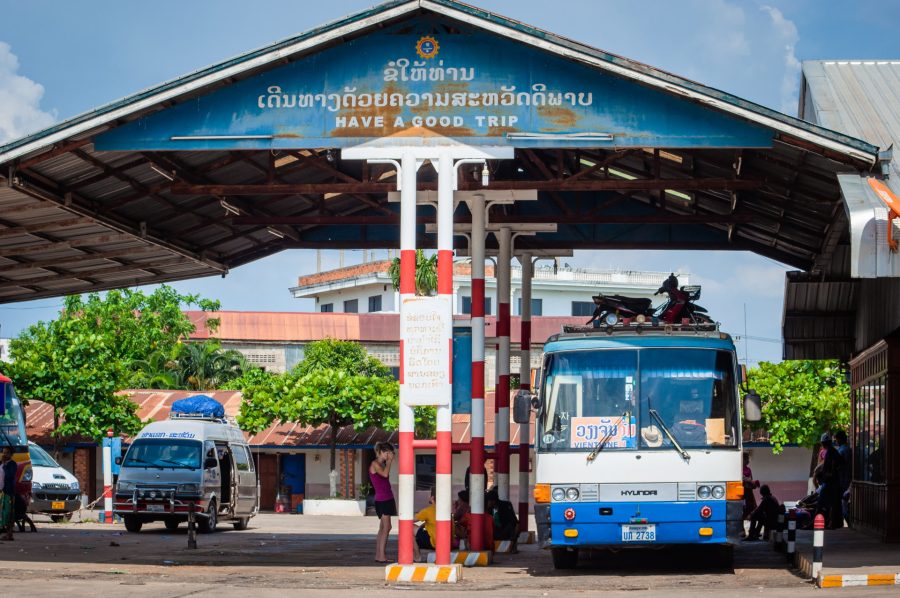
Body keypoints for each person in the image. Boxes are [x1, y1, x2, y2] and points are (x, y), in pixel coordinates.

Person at [369, 442, 396, 563]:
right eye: (387, 452)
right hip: (383, 499)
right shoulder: (375, 464)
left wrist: (388, 462)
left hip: (386, 497)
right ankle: (381, 555)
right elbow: (385, 475)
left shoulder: (381, 464)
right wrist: (390, 462)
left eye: (390, 453)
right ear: (380, 452)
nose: (388, 455)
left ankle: (378, 554)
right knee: (387, 527)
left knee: (382, 528)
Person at [816, 433, 844, 529]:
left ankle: (825, 522)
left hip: (830, 482)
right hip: (831, 482)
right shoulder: (832, 452)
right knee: (832, 503)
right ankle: (830, 523)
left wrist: (828, 474)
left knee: (822, 503)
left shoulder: (831, 453)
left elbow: (833, 467)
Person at [486, 487, 518, 553]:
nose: (487, 503)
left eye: (488, 501)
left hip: (503, 530)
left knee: (513, 525)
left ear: (493, 501)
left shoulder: (505, 506)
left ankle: (512, 545)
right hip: (492, 532)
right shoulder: (486, 509)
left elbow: (514, 521)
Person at [413, 487, 438, 561]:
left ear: (432, 497)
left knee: (407, 529)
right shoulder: (446, 509)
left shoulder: (428, 511)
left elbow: (411, 520)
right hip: (449, 543)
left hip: (434, 542)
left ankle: (417, 556)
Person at [834, 430, 852, 524]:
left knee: (842, 504)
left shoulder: (841, 450)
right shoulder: (848, 449)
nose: (836, 441)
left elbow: (837, 466)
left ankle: (846, 522)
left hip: (842, 481)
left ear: (839, 439)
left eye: (836, 439)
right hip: (847, 480)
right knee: (844, 504)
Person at [0, 446, 16, 541]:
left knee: (8, 513)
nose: (4, 454)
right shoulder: (2, 464)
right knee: (3, 513)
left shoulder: (12, 464)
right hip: (2, 491)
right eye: (3, 452)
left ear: (11, 454)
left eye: (6, 453)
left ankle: (9, 534)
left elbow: (10, 476)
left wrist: (4, 465)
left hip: (9, 492)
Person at [742, 452, 760, 530]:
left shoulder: (748, 469)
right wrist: (748, 480)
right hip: (741, 493)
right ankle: (742, 530)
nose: (748, 461)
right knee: (741, 512)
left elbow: (751, 480)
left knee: (753, 511)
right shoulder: (738, 469)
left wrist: (753, 483)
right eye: (746, 459)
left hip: (749, 493)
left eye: (748, 459)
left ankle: (752, 530)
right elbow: (742, 479)